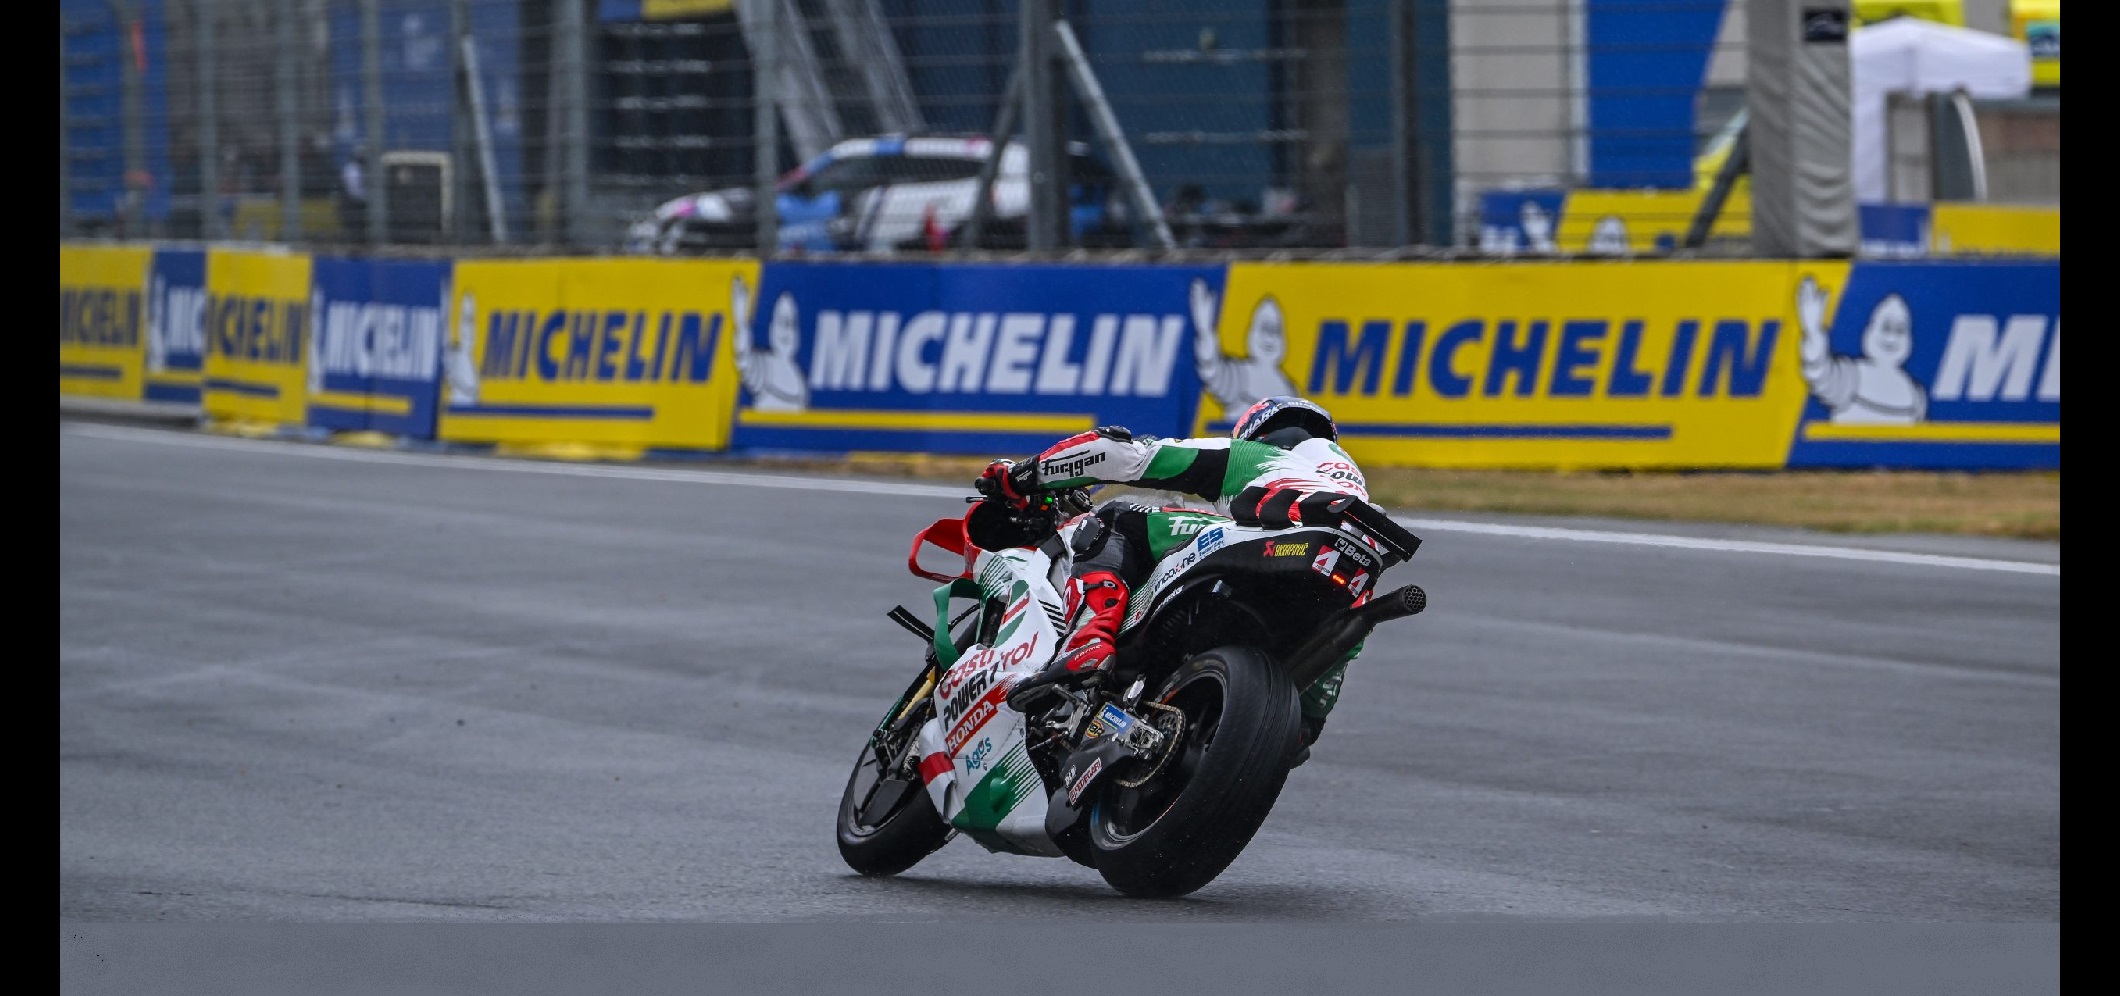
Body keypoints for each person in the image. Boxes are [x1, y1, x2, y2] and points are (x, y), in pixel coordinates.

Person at [978, 396, 1372, 757]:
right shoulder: (1352, 494)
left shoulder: (1257, 456)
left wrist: (1020, 477)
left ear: (1259, 434)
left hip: (1277, 546)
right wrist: (1295, 724)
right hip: (1345, 582)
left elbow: (1123, 456)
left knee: (1113, 517)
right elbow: (1308, 724)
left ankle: (1088, 641)